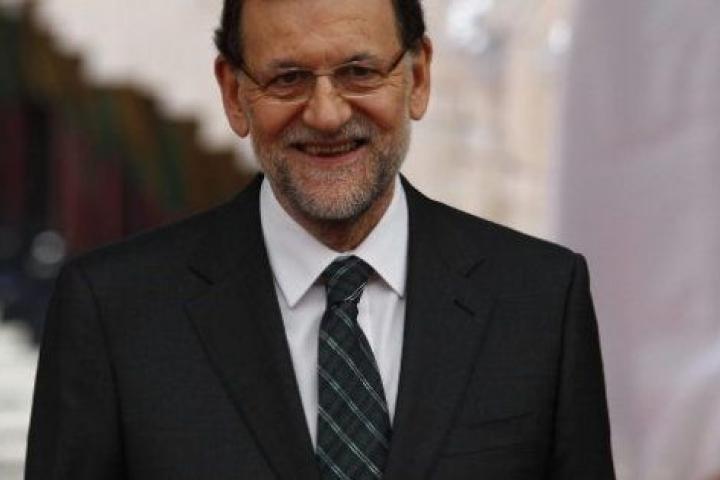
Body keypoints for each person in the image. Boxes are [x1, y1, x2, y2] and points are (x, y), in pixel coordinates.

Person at [25, 0, 615, 478]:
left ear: (418, 78)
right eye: (288, 79)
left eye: (359, 72)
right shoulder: (114, 314)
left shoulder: (540, 300)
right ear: (233, 93)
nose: (327, 114)